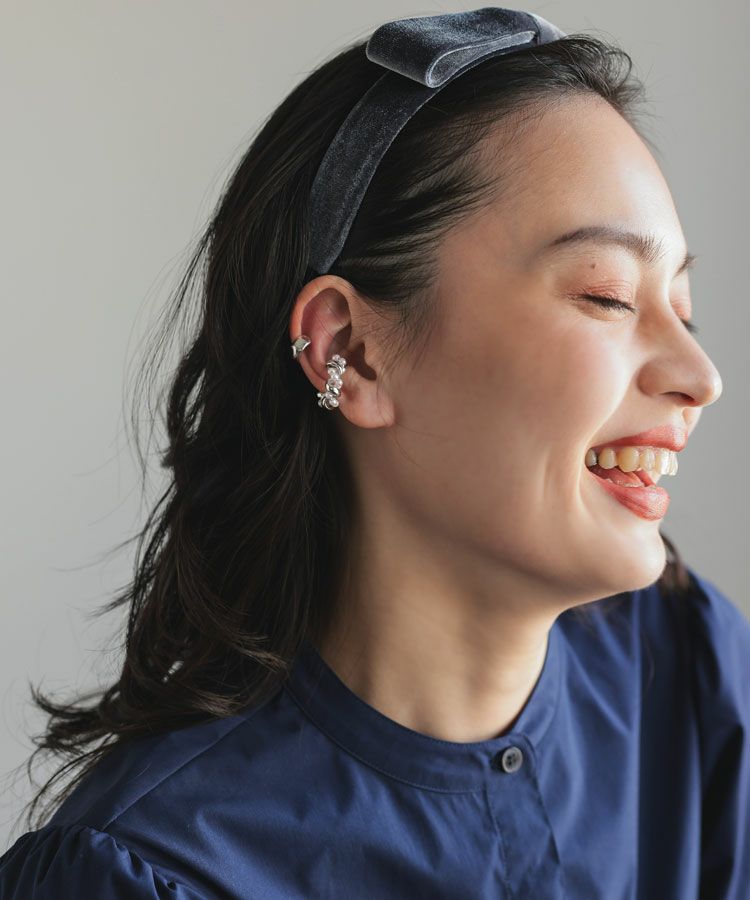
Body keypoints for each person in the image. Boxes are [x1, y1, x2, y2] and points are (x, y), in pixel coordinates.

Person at [1, 7, 747, 899]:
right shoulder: (155, 874)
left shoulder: (693, 677)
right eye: (608, 295)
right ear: (351, 353)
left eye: (683, 309)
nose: (700, 376)